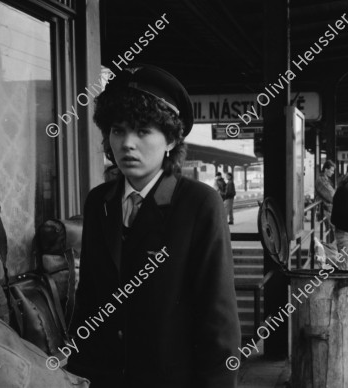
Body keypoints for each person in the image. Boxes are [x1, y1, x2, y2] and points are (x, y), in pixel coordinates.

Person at [67, 65, 241, 387]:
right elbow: (89, 294)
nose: (127, 144)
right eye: (118, 131)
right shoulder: (98, 203)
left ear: (171, 140)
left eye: (143, 131)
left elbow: (217, 315)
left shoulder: (199, 204)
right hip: (104, 377)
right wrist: (78, 368)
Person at [315, 160, 336, 243]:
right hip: (325, 210)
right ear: (326, 170)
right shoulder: (321, 180)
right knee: (332, 231)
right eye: (332, 170)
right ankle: (331, 251)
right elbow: (331, 194)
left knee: (330, 232)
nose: (333, 172)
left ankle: (331, 251)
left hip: (327, 209)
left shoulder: (325, 179)